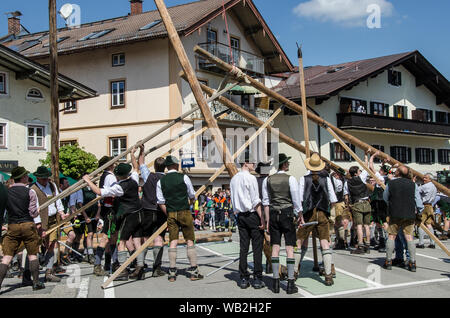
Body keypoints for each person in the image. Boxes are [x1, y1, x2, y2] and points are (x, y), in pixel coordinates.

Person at [84, 149, 144, 281]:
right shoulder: (113, 177)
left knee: (114, 238)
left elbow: (102, 192)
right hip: (115, 212)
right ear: (110, 165)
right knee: (111, 238)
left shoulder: (108, 177)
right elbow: (135, 168)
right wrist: (133, 154)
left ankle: (112, 264)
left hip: (118, 212)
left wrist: (88, 181)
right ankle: (106, 264)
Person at [156, 156, 203, 282]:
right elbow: (192, 194)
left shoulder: (161, 181)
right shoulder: (183, 177)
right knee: (189, 239)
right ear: (176, 165)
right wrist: (191, 203)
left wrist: (169, 212)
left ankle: (172, 271)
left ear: (167, 166)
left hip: (171, 212)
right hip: (184, 210)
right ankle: (193, 270)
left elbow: (160, 201)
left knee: (173, 240)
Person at [262, 154, 303, 294]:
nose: (289, 165)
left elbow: (266, 202)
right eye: (287, 163)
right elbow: (296, 200)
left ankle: (275, 282)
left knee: (275, 247)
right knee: (290, 247)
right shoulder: (290, 179)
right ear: (284, 165)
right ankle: (290, 283)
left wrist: (267, 220)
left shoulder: (267, 180)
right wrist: (300, 215)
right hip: (287, 213)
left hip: (273, 214)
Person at [0, 167, 45, 291]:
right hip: (27, 224)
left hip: (13, 225)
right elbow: (33, 212)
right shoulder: (30, 192)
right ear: (23, 177)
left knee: (7, 257)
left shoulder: (7, 192)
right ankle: (36, 283)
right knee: (32, 255)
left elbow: (4, 211)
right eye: (26, 176)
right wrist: (38, 211)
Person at [297, 153, 338, 286]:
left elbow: (299, 199)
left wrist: (300, 215)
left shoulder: (304, 179)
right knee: (324, 242)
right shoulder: (326, 179)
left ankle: (295, 271)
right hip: (322, 212)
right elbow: (333, 199)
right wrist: (326, 211)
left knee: (300, 241)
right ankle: (328, 275)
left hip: (308, 213)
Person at [230, 159, 265, 290]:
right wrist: (262, 218)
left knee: (243, 247)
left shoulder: (234, 179)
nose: (254, 165)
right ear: (246, 163)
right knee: (257, 247)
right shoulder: (251, 178)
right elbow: (255, 200)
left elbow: (233, 199)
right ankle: (257, 277)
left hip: (240, 215)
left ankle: (244, 277)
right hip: (252, 214)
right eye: (252, 163)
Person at [30, 166, 68, 283]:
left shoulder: (52, 185)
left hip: (53, 219)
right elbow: (34, 209)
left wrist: (61, 213)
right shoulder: (33, 190)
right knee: (35, 246)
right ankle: (28, 273)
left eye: (47, 178)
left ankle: (49, 272)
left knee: (52, 244)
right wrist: (38, 225)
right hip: (41, 221)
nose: (46, 180)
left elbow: (57, 199)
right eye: (43, 178)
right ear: (37, 178)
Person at [383, 165, 423, 272]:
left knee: (391, 236)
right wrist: (419, 211)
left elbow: (385, 197)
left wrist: (392, 204)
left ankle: (388, 261)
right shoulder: (413, 184)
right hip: (409, 213)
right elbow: (418, 201)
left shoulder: (391, 183)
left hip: (395, 212)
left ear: (398, 173)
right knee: (409, 237)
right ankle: (412, 262)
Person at [138, 148, 167, 278]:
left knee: (144, 239)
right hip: (161, 210)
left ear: (154, 166)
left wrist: (142, 151)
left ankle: (141, 266)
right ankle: (157, 268)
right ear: (165, 167)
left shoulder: (148, 175)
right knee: (159, 238)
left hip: (147, 210)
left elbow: (141, 163)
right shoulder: (167, 179)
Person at [92, 156, 117, 276]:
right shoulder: (110, 176)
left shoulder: (103, 176)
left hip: (105, 208)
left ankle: (108, 263)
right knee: (106, 237)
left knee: (110, 237)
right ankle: (97, 265)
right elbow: (113, 193)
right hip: (110, 209)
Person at [344, 156, 372, 254]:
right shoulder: (362, 178)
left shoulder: (347, 183)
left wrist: (348, 206)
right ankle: (368, 245)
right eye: (359, 171)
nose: (360, 172)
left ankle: (360, 245)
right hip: (366, 203)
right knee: (367, 225)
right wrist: (367, 156)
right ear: (356, 173)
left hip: (357, 203)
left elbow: (346, 196)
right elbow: (366, 167)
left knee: (359, 225)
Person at [369, 151, 389, 252]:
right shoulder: (385, 177)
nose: (379, 170)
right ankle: (382, 242)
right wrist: (384, 163)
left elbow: (371, 166)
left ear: (383, 172)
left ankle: (385, 243)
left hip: (380, 202)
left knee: (383, 223)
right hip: (380, 202)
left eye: (381, 169)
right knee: (378, 223)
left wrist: (373, 155)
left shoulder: (381, 177)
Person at [330, 168, 350, 250]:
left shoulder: (339, 181)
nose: (335, 175)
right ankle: (340, 240)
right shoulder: (344, 180)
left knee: (339, 223)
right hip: (341, 203)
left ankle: (341, 241)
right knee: (338, 223)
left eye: (336, 174)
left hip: (338, 203)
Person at [416, 173, 437, 249]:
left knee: (420, 224)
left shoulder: (425, 186)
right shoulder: (434, 187)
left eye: (426, 178)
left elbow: (416, 191)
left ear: (430, 179)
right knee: (429, 224)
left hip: (424, 206)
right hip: (430, 206)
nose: (424, 179)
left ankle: (421, 243)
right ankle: (432, 242)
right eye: (424, 178)